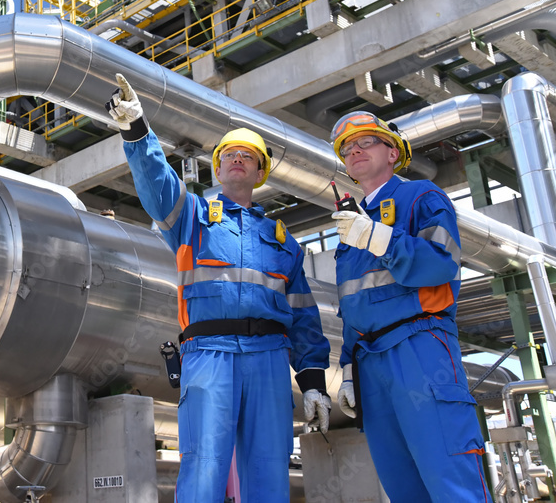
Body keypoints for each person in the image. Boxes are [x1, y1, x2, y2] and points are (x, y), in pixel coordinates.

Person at [106, 73, 330, 503]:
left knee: (268, 469)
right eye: (229, 154)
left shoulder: (283, 241)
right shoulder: (192, 216)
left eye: (248, 156)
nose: (237, 160)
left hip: (269, 359)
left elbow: (303, 316)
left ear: (259, 171)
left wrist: (315, 380)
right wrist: (136, 130)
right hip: (208, 354)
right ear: (218, 166)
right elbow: (157, 185)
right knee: (204, 467)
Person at [328, 111, 491, 501]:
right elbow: (354, 304)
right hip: (369, 361)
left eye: (366, 142)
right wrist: (348, 366)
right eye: (348, 148)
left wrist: (378, 238)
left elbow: (440, 262)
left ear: (392, 152)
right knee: (401, 483)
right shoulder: (350, 230)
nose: (355, 151)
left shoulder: (421, 196)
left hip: (420, 346)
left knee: (449, 474)